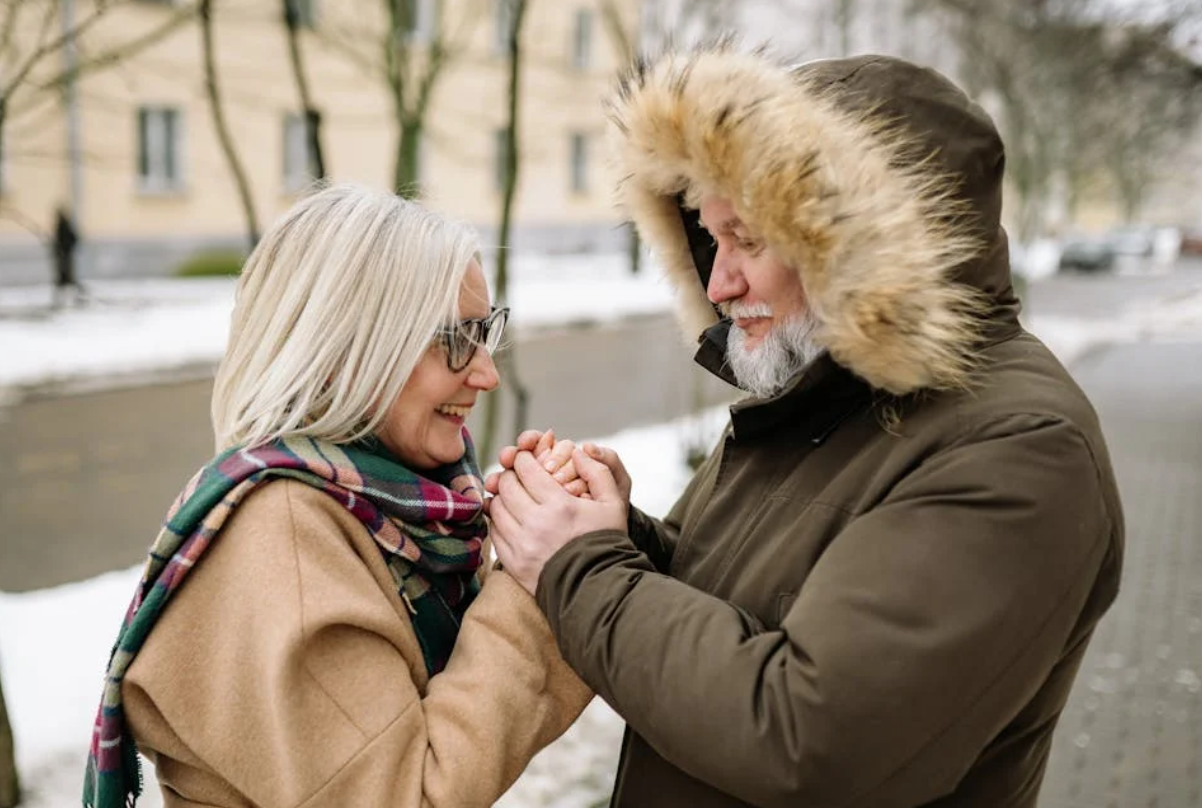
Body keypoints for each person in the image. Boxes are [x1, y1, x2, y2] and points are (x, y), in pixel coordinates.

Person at [485, 46, 1125, 808]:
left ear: (863, 245)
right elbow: (736, 605)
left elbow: (810, 739)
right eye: (710, 238)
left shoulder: (1021, 446)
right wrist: (620, 535)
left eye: (749, 239)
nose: (719, 283)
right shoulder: (824, 394)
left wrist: (580, 566)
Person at [82, 184, 591, 808]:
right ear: (345, 351)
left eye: (485, 331)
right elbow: (410, 795)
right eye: (456, 338)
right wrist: (535, 580)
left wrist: (559, 533)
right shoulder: (286, 536)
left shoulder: (378, 509)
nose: (486, 373)